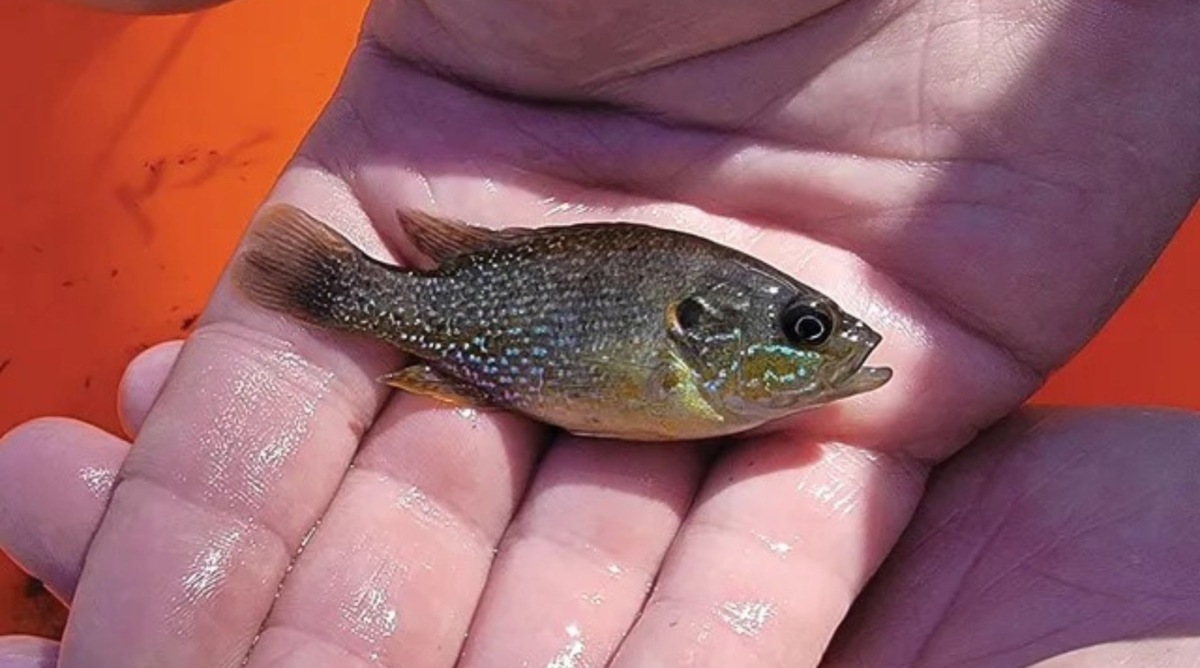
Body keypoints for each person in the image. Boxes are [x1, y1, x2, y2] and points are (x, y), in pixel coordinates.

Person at [2, 0, 1199, 666]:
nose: (830, 348)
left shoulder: (701, 366)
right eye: (801, 326)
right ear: (701, 331)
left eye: (809, 327)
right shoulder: (672, 361)